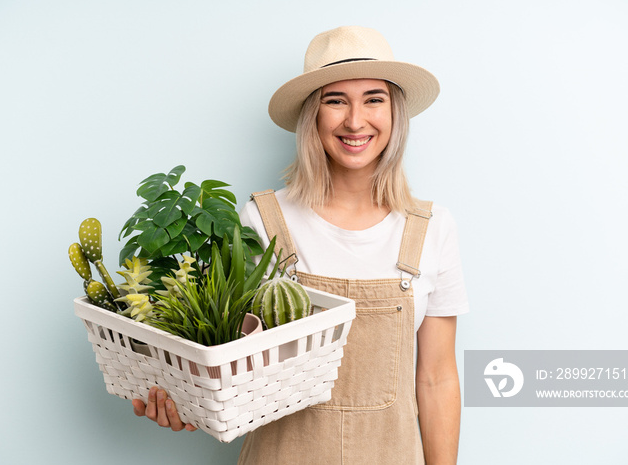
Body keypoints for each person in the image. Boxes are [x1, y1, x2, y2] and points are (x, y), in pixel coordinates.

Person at [132, 26, 469, 464]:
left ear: (395, 112)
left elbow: (438, 379)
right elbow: (229, 365)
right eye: (335, 101)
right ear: (313, 114)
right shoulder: (262, 221)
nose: (354, 120)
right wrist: (186, 402)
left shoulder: (431, 227)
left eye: (373, 98)